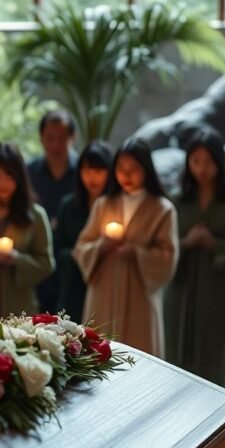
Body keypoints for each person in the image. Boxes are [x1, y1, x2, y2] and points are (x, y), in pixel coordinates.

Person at [164, 127, 225, 387]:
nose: (202, 168)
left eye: (209, 161)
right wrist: (187, 242)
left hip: (219, 292)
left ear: (220, 162)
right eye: (196, 161)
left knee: (215, 356)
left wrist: (216, 244)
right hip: (180, 290)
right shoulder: (177, 200)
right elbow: (161, 246)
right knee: (176, 359)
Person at [73, 138, 178, 356]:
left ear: (146, 170)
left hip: (139, 295)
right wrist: (101, 246)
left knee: (139, 359)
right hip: (103, 292)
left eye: (133, 169)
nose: (126, 175)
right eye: (120, 168)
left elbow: (168, 256)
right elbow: (82, 246)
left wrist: (137, 253)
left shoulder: (162, 209)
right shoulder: (104, 204)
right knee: (97, 357)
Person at [0, 142, 53, 323]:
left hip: (20, 306)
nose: (2, 183)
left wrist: (16, 258)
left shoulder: (35, 215)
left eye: (9, 175)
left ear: (19, 178)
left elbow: (46, 263)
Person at [53, 141, 112, 322]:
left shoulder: (114, 206)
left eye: (98, 171)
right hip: (73, 285)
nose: (92, 178)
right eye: (87, 171)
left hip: (107, 284)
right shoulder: (69, 206)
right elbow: (57, 249)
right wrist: (77, 254)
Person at [27, 109, 78, 313]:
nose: (55, 145)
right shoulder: (29, 172)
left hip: (73, 262)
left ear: (73, 138)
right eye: (50, 138)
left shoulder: (84, 172)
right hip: (37, 262)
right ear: (41, 139)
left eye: (62, 138)